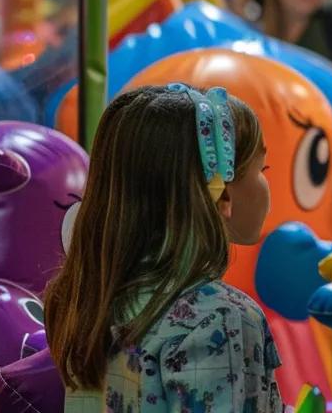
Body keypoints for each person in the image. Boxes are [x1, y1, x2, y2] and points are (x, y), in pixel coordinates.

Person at [44, 84, 280, 411]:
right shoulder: (219, 316)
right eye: (262, 169)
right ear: (223, 194)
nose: (267, 181)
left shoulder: (85, 297)